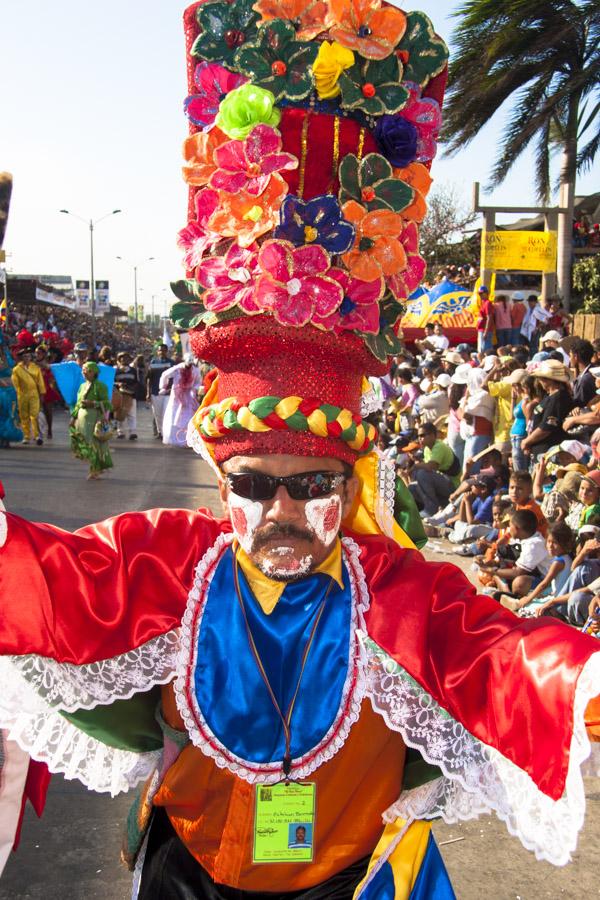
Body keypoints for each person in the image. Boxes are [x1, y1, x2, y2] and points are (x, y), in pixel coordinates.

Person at [1, 6, 599, 897]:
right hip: (189, 877)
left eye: (312, 484)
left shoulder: (397, 594)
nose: (282, 511)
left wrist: (583, 690)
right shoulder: (170, 567)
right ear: (223, 479)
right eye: (255, 484)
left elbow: (505, 658)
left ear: (350, 480)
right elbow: (43, 575)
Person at [502, 522, 574, 614]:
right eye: (549, 541)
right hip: (557, 596)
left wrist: (529, 599)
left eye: (555, 542)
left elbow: (544, 584)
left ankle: (516, 604)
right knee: (534, 598)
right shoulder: (566, 558)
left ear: (564, 544)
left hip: (558, 601)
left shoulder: (559, 562)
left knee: (527, 606)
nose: (550, 546)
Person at [520, 361, 574, 462]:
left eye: (541, 378)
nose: (539, 381)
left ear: (549, 380)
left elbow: (547, 427)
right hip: (541, 450)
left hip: (549, 451)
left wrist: (527, 441)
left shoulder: (558, 397)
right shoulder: (549, 396)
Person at [69, 360, 113, 480]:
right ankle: (95, 467)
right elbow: (78, 404)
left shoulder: (101, 386)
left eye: (87, 370)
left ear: (94, 372)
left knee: (95, 444)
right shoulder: (82, 386)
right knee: (85, 443)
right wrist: (73, 417)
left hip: (95, 418)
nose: (84, 373)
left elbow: (107, 404)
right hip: (82, 419)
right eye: (83, 370)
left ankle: (95, 469)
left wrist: (93, 403)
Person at [408, 421, 460, 515]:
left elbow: (431, 466)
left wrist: (415, 466)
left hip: (453, 486)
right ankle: (427, 510)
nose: (420, 438)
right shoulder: (427, 449)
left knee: (422, 474)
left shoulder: (439, 446)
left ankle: (430, 510)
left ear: (432, 435)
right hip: (442, 485)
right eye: (419, 436)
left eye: (423, 435)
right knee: (412, 488)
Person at [159, 352, 201, 447]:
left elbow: (198, 382)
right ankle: (173, 438)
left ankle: (186, 440)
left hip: (189, 396)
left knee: (188, 417)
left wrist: (194, 389)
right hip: (177, 396)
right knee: (174, 415)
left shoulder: (195, 370)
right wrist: (163, 387)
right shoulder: (177, 368)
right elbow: (165, 375)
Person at [10, 348, 45, 445]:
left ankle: (37, 435)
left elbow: (40, 381)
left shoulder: (35, 368)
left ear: (30, 357)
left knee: (34, 415)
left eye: (28, 356)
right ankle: (26, 436)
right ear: (21, 358)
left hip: (34, 394)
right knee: (24, 416)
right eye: (24, 356)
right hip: (22, 394)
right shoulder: (16, 369)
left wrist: (42, 393)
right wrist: (17, 393)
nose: (26, 358)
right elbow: (15, 383)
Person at [146, 343, 174, 439]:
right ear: (157, 352)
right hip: (155, 392)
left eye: (163, 350)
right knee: (157, 414)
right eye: (160, 350)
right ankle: (160, 432)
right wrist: (148, 393)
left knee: (166, 413)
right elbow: (149, 379)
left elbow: (175, 378)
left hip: (168, 393)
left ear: (167, 351)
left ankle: (166, 432)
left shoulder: (172, 363)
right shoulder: (153, 362)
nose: (161, 352)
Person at [0, 331, 22, 448]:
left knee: (11, 413)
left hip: (11, 389)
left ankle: (7, 437)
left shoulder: (7, 354)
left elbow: (13, 367)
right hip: (1, 390)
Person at [34, 345, 61, 440]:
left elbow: (52, 377)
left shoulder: (48, 364)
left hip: (46, 389)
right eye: (36, 353)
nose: (37, 355)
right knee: (35, 412)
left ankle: (49, 429)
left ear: (44, 354)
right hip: (35, 389)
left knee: (48, 411)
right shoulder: (32, 364)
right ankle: (38, 432)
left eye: (39, 353)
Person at [114, 351, 139, 440]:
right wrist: (118, 384)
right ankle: (120, 432)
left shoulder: (133, 370)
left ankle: (133, 432)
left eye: (127, 358)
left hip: (131, 395)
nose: (124, 359)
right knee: (120, 414)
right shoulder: (116, 371)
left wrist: (132, 388)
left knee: (132, 414)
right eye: (122, 358)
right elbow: (112, 382)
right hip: (119, 395)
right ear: (119, 360)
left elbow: (137, 382)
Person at [475, 285, 494, 352]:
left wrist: (486, 331)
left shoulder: (488, 303)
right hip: (481, 329)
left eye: (481, 293)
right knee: (481, 349)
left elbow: (489, 317)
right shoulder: (483, 303)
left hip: (485, 330)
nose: (480, 295)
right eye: (479, 293)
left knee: (484, 350)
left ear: (486, 293)